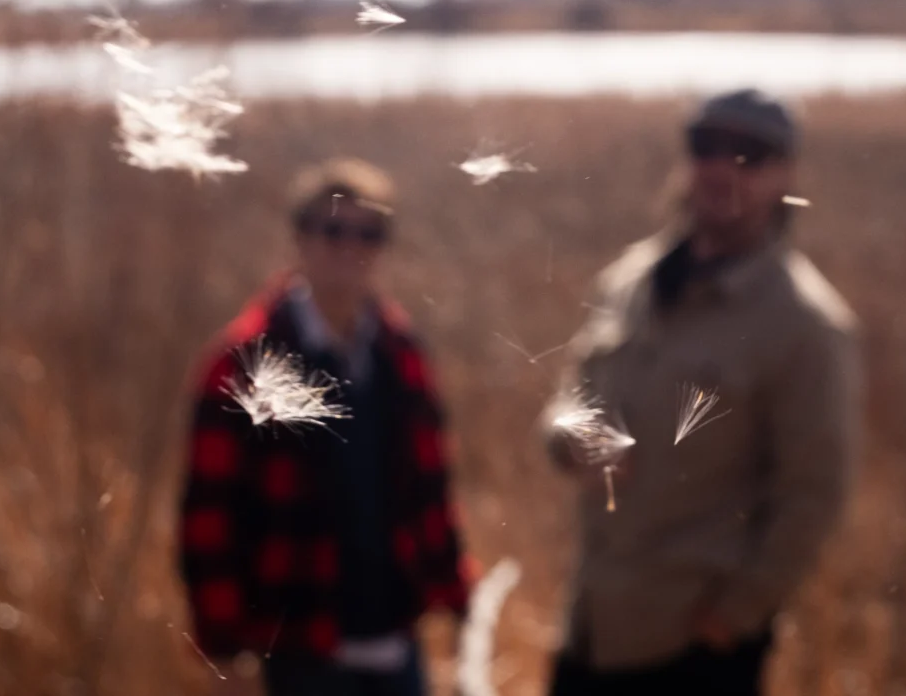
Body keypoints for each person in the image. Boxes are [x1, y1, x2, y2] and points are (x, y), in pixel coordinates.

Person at [542, 88, 862, 696]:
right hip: (589, 628)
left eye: (750, 153)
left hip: (691, 651)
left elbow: (815, 493)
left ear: (784, 174)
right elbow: (567, 399)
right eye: (706, 146)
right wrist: (574, 438)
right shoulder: (631, 280)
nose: (722, 167)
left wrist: (735, 617)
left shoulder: (805, 325)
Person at [178, 158, 471, 696]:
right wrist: (226, 648)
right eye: (333, 229)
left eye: (369, 232)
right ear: (300, 239)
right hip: (296, 643)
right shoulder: (244, 362)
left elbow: (430, 492)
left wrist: (457, 602)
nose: (349, 246)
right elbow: (208, 518)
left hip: (391, 635)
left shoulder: (401, 356)